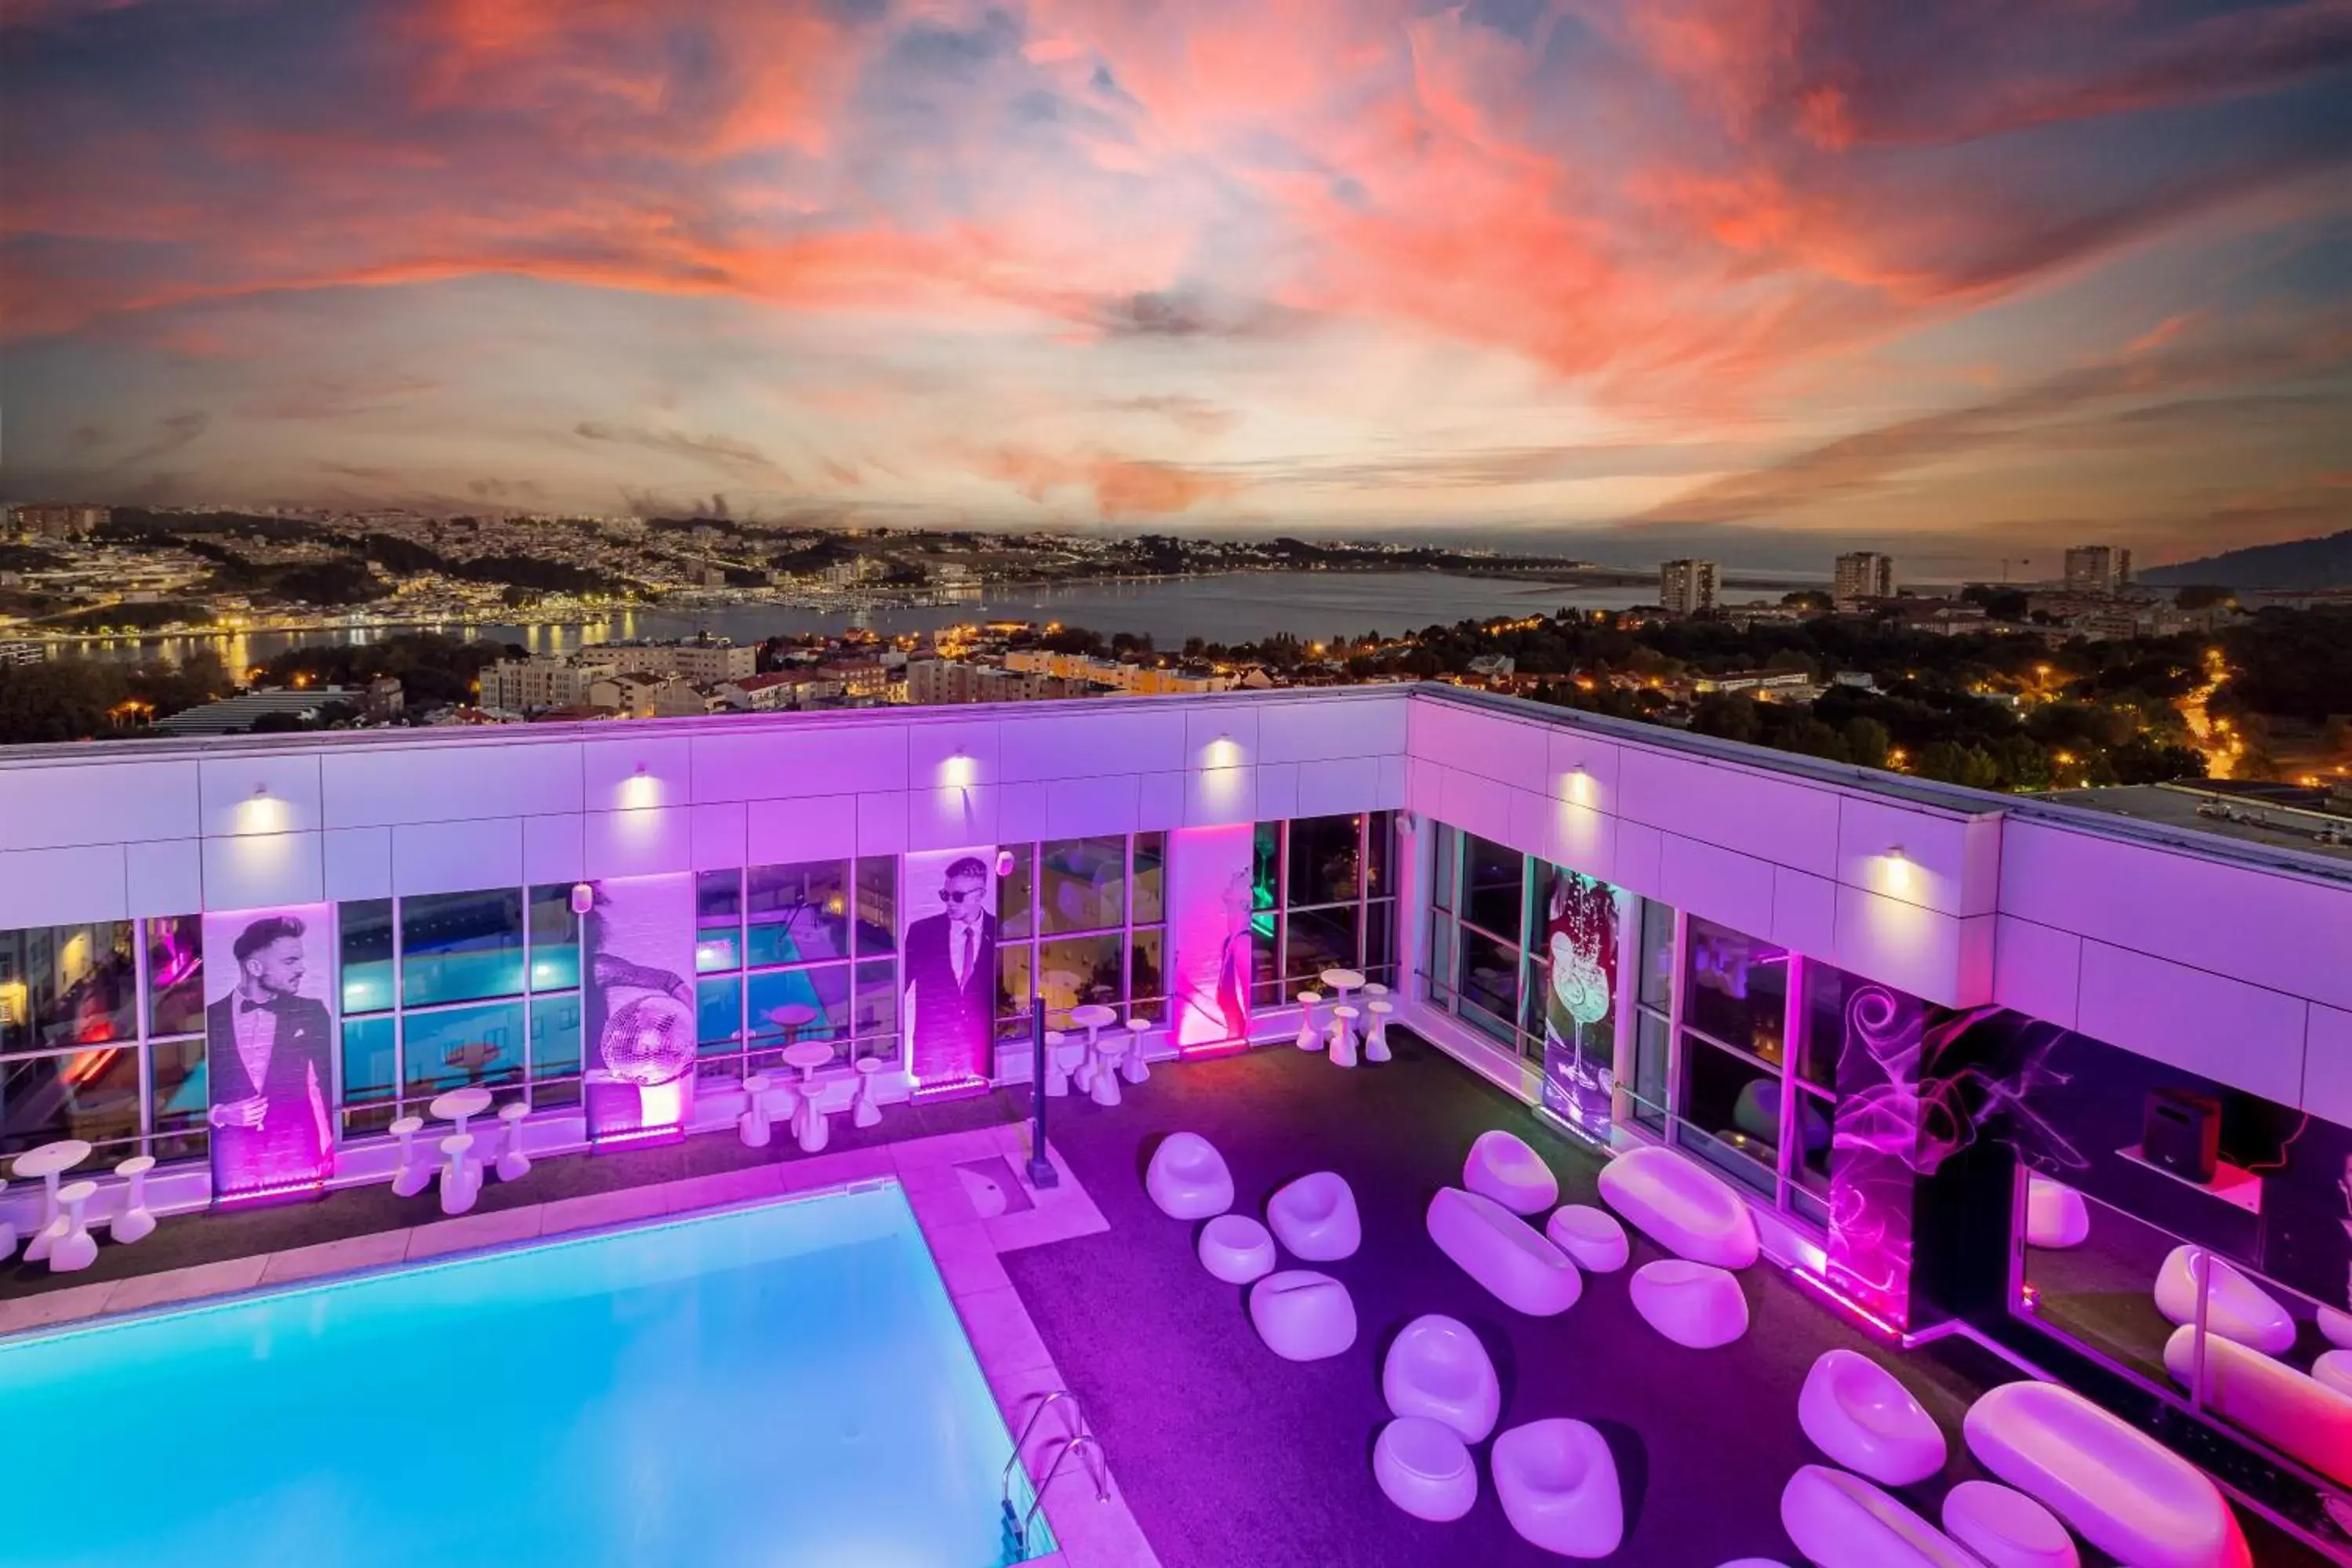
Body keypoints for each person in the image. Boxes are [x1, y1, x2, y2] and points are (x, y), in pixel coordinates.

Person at [206, 914, 334, 1190]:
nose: (301, 969)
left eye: (300, 960)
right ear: (254, 966)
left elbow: (322, 1084)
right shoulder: (210, 1019)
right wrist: (219, 1114)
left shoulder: (311, 1012)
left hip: (297, 1147)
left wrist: (328, 1142)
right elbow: (183, 1097)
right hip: (232, 1152)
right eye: (290, 961)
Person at [902, 855, 996, 1080]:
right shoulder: (922, 933)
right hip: (935, 1051)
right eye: (945, 895)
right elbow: (900, 986)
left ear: (981, 895)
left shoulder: (997, 931)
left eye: (958, 896)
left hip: (978, 1049)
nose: (950, 903)